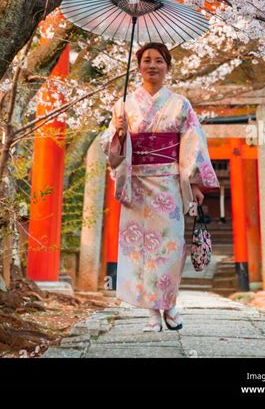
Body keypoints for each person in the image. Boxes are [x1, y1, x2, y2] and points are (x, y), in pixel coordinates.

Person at [101, 41, 220, 332]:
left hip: (169, 182)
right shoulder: (123, 105)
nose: (152, 65)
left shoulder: (181, 104)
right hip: (137, 181)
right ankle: (153, 313)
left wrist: (194, 183)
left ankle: (171, 303)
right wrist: (118, 133)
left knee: (170, 246)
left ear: (167, 67)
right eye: (146, 60)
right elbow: (110, 149)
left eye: (159, 61)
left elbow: (192, 144)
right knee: (140, 250)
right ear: (138, 66)